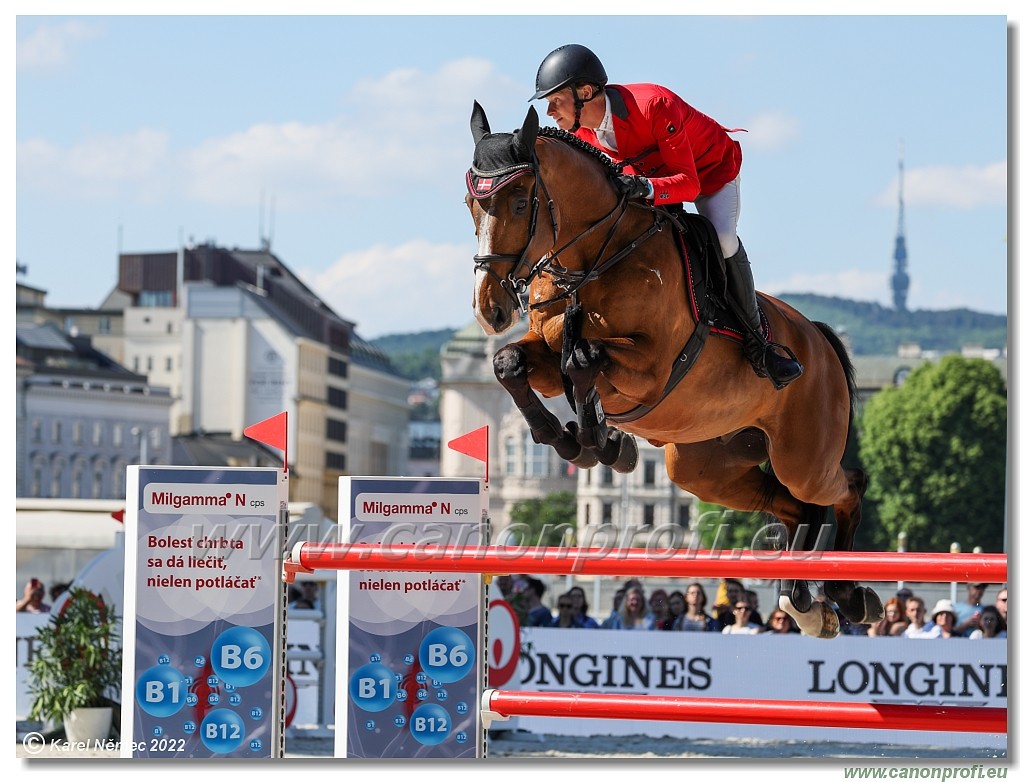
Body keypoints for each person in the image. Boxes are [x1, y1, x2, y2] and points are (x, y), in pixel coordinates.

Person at [531, 43, 803, 389]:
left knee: (721, 239)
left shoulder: (654, 106)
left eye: (556, 100)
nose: (550, 110)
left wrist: (644, 187)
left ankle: (760, 343)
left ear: (585, 92)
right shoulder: (579, 135)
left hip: (710, 173)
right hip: (649, 181)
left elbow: (688, 185)